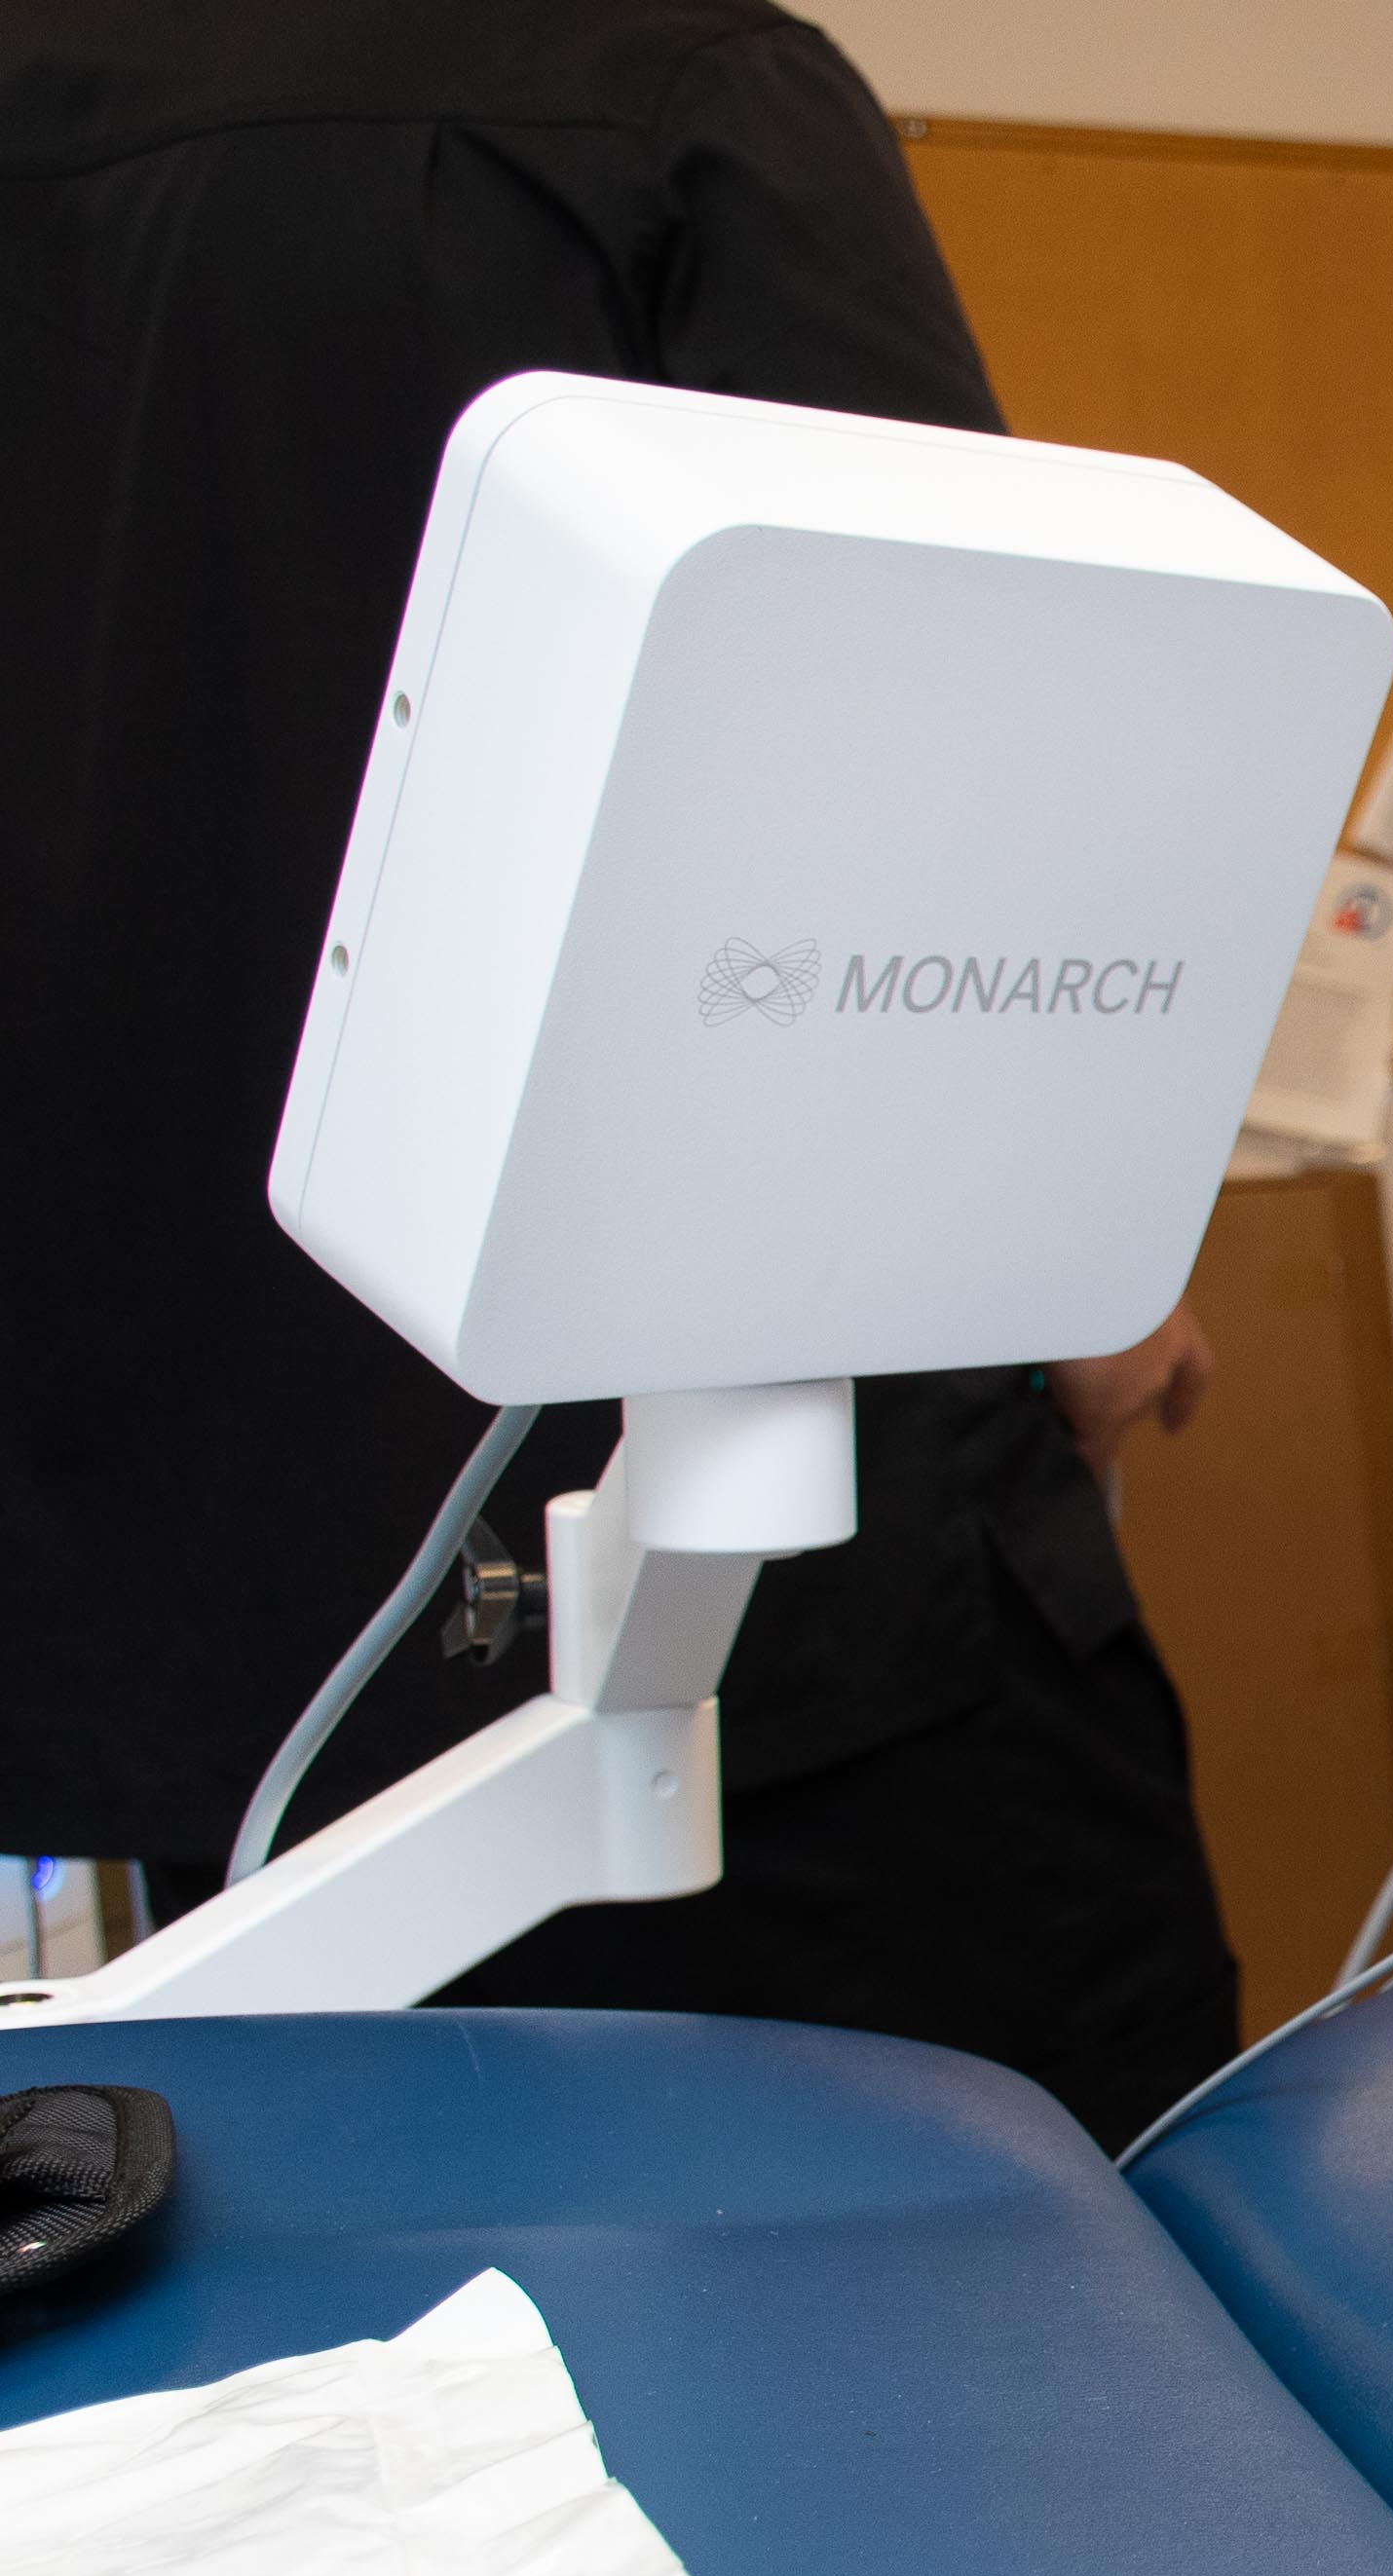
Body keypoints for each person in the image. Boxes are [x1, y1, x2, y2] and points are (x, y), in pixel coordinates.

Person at [0, 0, 1241, 2141]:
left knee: (369, 2292)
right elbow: (948, 695)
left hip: (187, 1649)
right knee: (1029, 2258)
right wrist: (1088, 1279)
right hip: (750, 1637)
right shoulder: (660, 91)